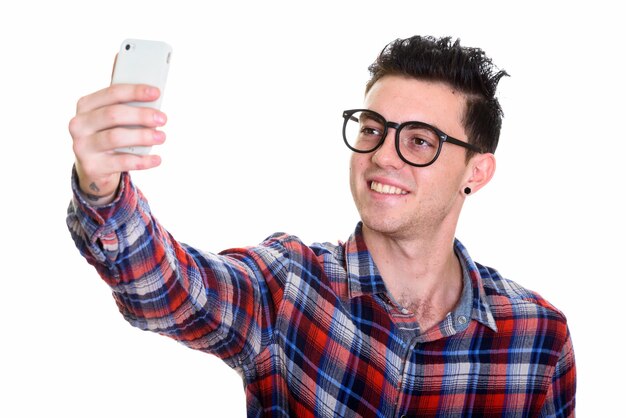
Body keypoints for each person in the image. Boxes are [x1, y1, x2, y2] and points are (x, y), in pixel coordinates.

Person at [67, 35, 576, 417]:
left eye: (420, 141)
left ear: (477, 172)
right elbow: (170, 288)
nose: (382, 156)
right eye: (373, 129)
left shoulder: (537, 337)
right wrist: (103, 188)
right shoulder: (289, 285)